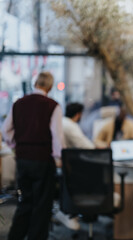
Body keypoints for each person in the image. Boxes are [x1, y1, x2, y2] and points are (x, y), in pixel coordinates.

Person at [1, 72, 63, 240]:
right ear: (50, 86)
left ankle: (15, 236)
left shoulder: (18, 104)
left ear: (35, 83)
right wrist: (59, 158)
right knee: (42, 205)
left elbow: (6, 130)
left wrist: (16, 145)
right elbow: (57, 136)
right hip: (42, 159)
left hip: (22, 159)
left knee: (25, 201)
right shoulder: (52, 106)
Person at [54, 102, 95, 231]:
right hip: (67, 168)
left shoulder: (61, 122)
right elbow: (88, 147)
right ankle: (71, 211)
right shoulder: (71, 126)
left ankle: (69, 210)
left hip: (58, 165)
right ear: (78, 114)